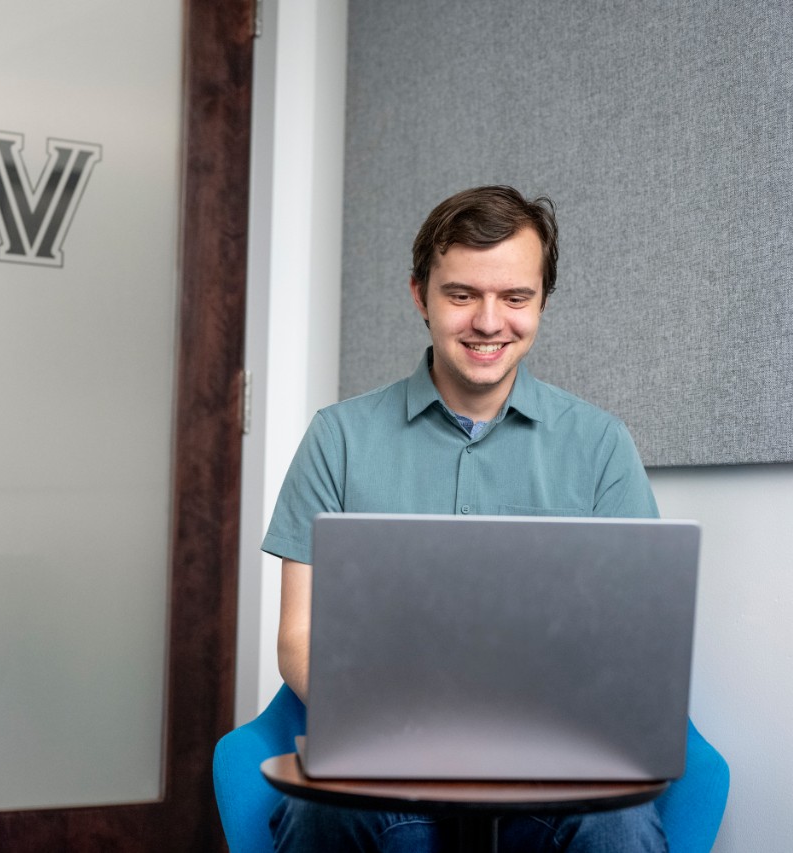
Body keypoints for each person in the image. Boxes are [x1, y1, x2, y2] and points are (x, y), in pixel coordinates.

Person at [261, 185, 666, 852]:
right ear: (420, 295)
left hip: (554, 773)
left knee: (620, 825)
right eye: (461, 294)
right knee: (320, 818)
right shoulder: (337, 437)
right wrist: (402, 730)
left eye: (515, 297)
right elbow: (299, 635)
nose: (488, 321)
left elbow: (636, 639)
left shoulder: (600, 444)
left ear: (541, 301)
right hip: (380, 768)